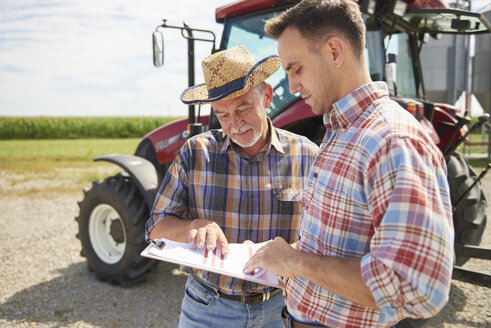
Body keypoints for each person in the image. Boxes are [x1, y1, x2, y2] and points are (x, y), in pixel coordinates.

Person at [244, 1, 454, 327]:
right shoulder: (342, 130)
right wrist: (290, 256)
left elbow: (416, 286)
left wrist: (297, 261)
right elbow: (345, 240)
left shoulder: (391, 141)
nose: (294, 87)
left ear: (334, 52)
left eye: (296, 69)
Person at [145, 45, 319, 328]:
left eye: (243, 108)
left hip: (283, 305)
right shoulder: (195, 152)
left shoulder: (307, 155)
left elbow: (327, 235)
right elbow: (155, 227)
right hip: (208, 306)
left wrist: (290, 253)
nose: (235, 124)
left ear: (267, 96)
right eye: (222, 115)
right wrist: (191, 227)